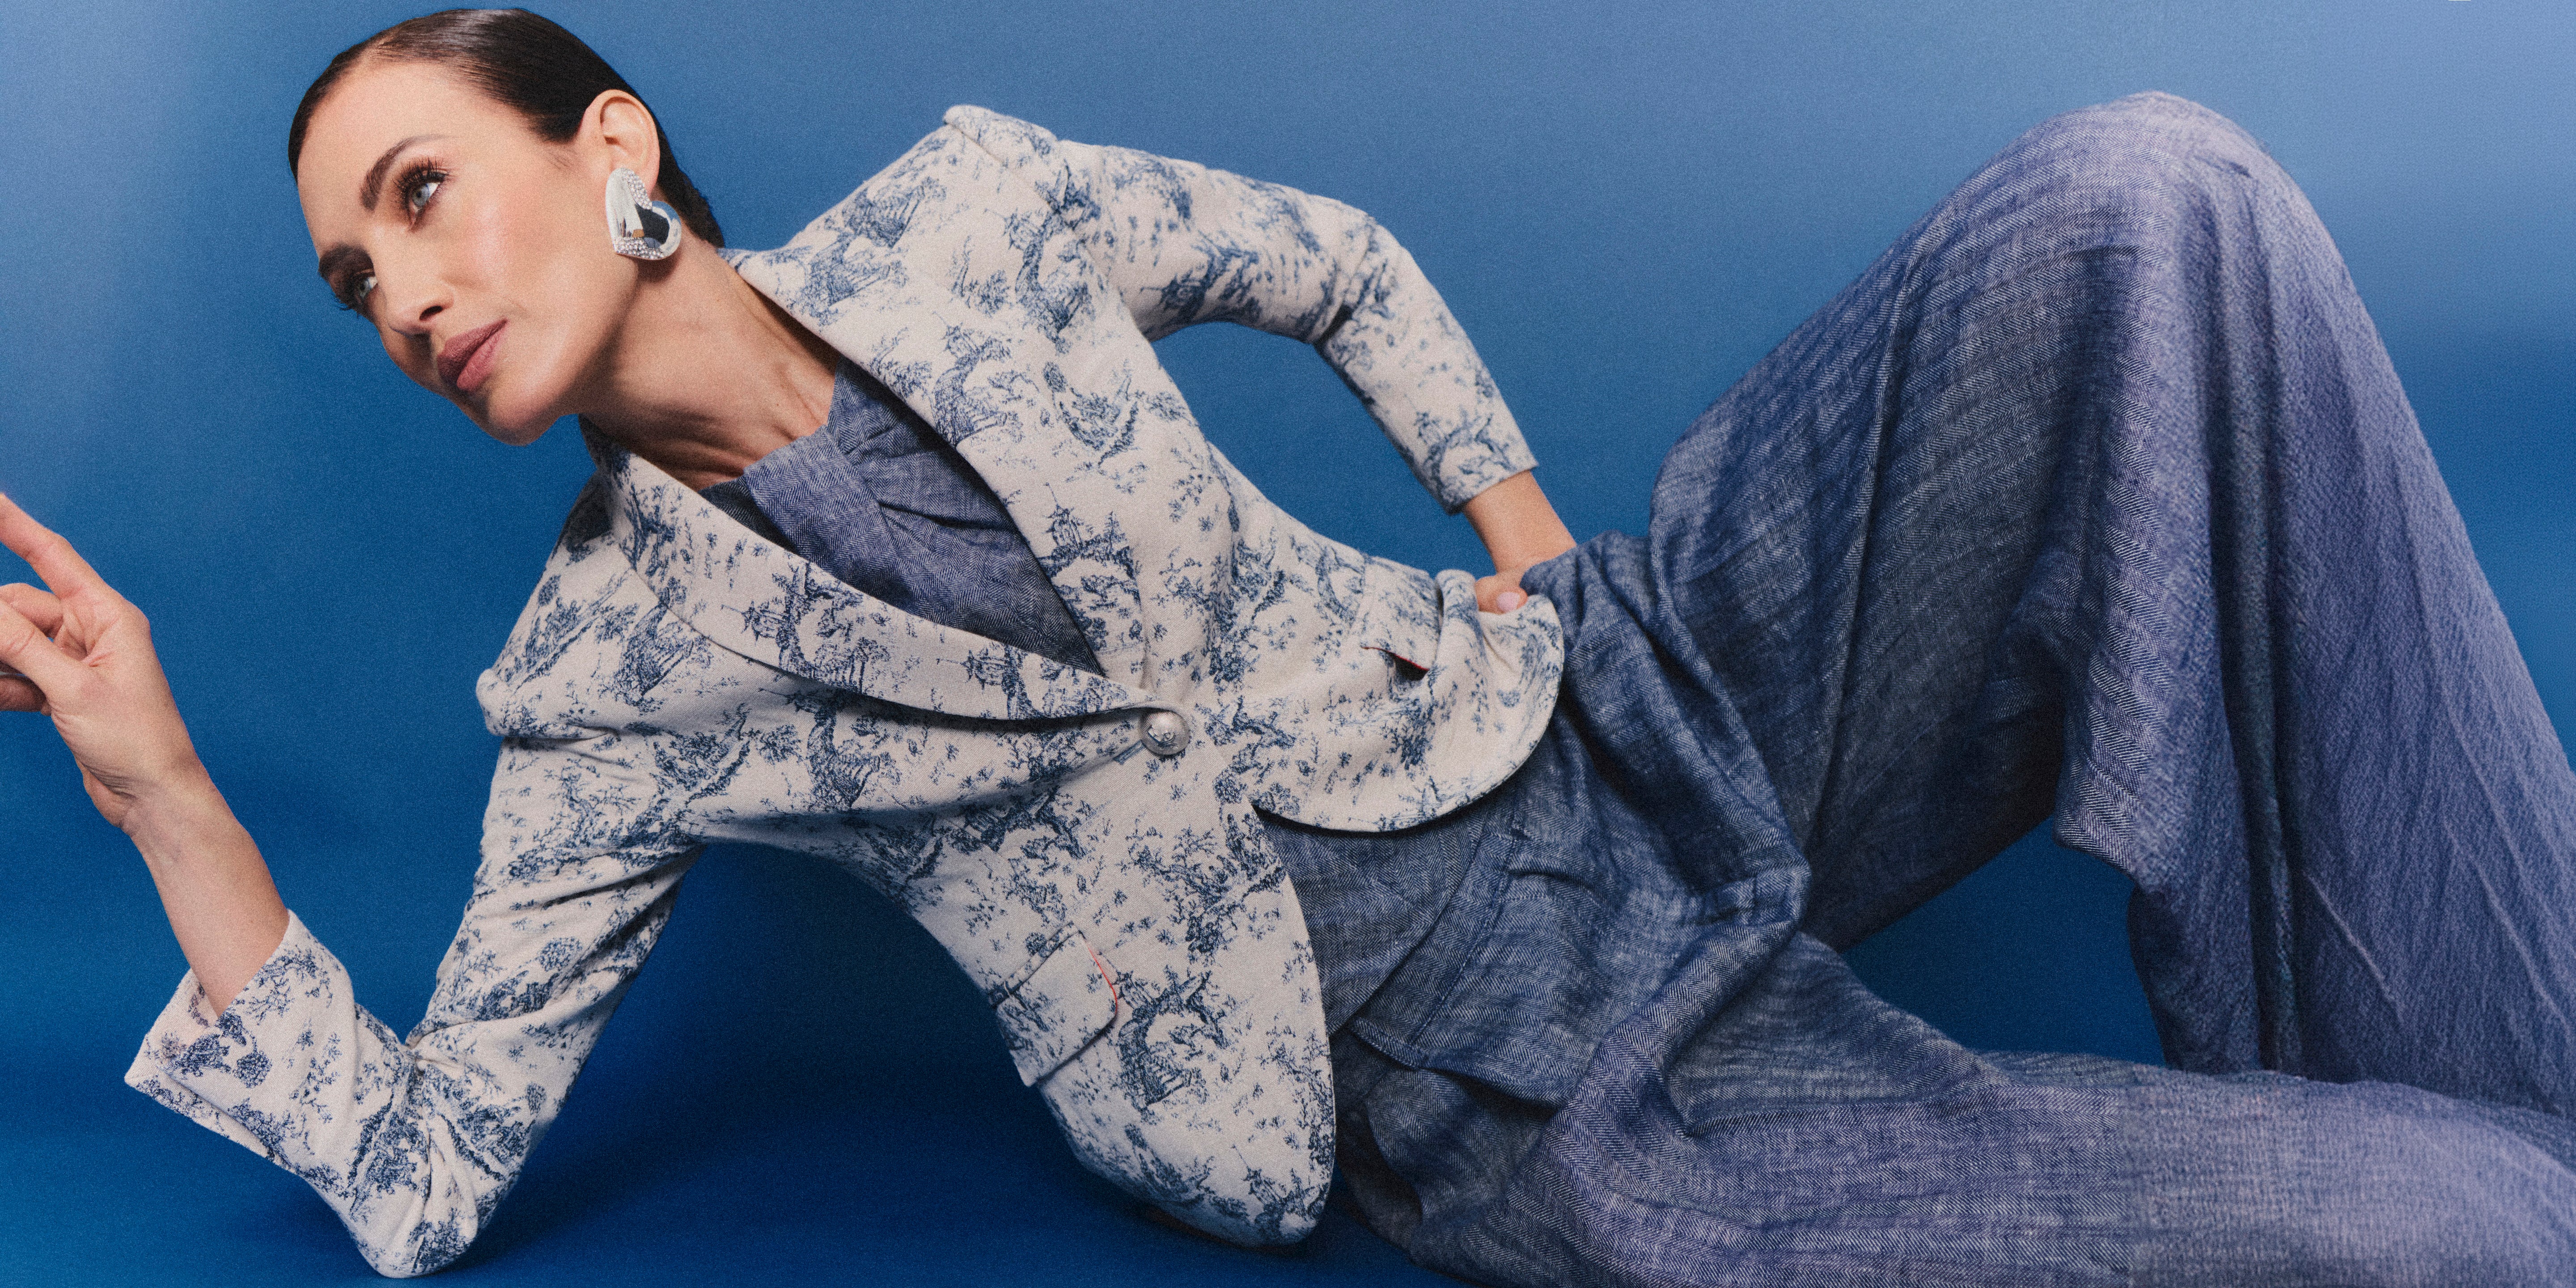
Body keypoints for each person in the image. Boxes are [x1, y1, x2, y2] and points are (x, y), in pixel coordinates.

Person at [3, 6, 2571, 1283]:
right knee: (2464, 1231)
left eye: (423, 197)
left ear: (614, 150)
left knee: (2148, 195)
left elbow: (1320, 257)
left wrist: (1519, 525)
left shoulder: (973, 209)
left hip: (1615, 701)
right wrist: (163, 790)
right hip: (1502, 1065)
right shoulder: (598, 692)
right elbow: (427, 1177)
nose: (399, 293)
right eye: (350, 277)